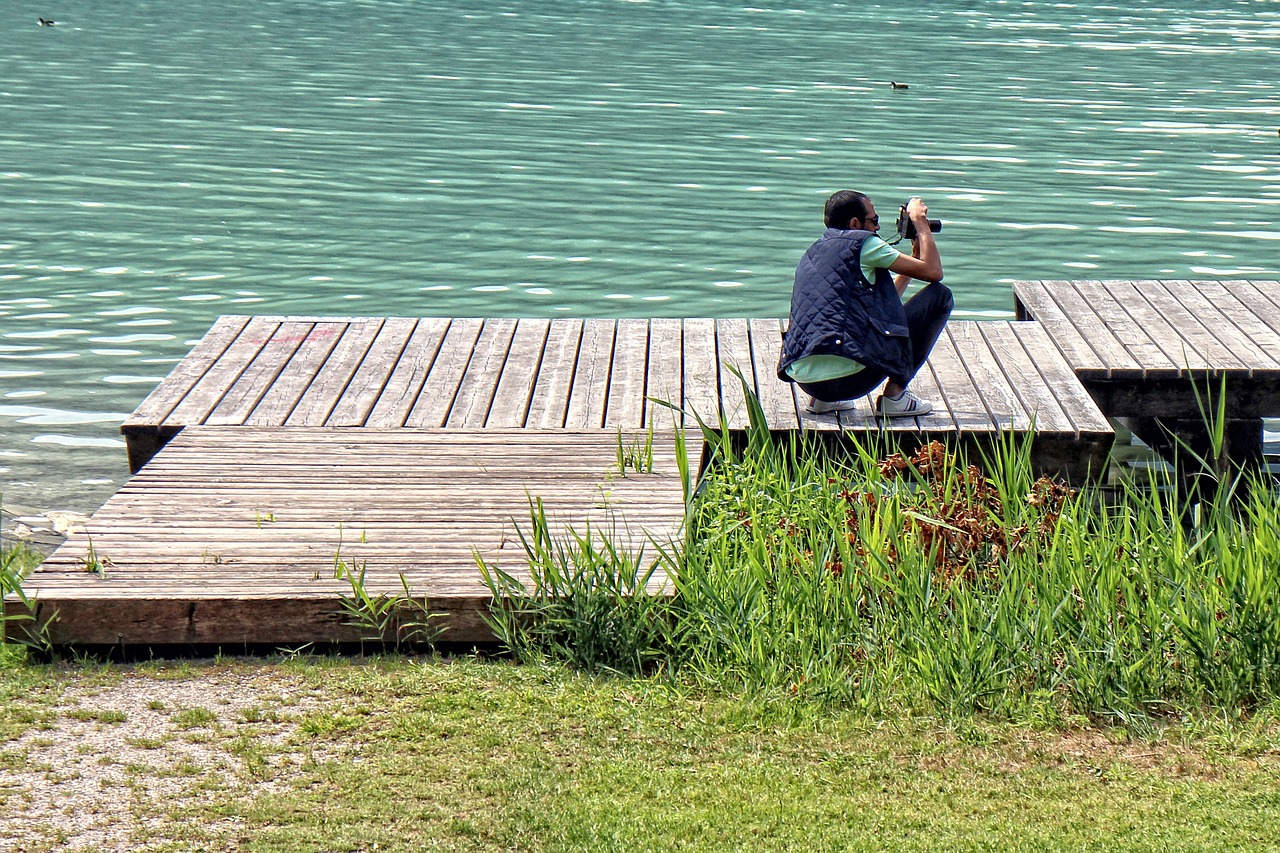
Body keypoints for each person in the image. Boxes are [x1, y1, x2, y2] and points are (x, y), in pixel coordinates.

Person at [777, 190, 952, 417]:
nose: (878, 228)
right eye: (874, 221)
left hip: (807, 382)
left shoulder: (814, 251)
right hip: (851, 381)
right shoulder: (864, 244)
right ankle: (895, 397)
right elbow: (933, 272)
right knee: (940, 296)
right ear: (855, 223)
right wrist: (920, 223)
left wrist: (911, 264)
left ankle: (823, 402)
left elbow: (884, 309)